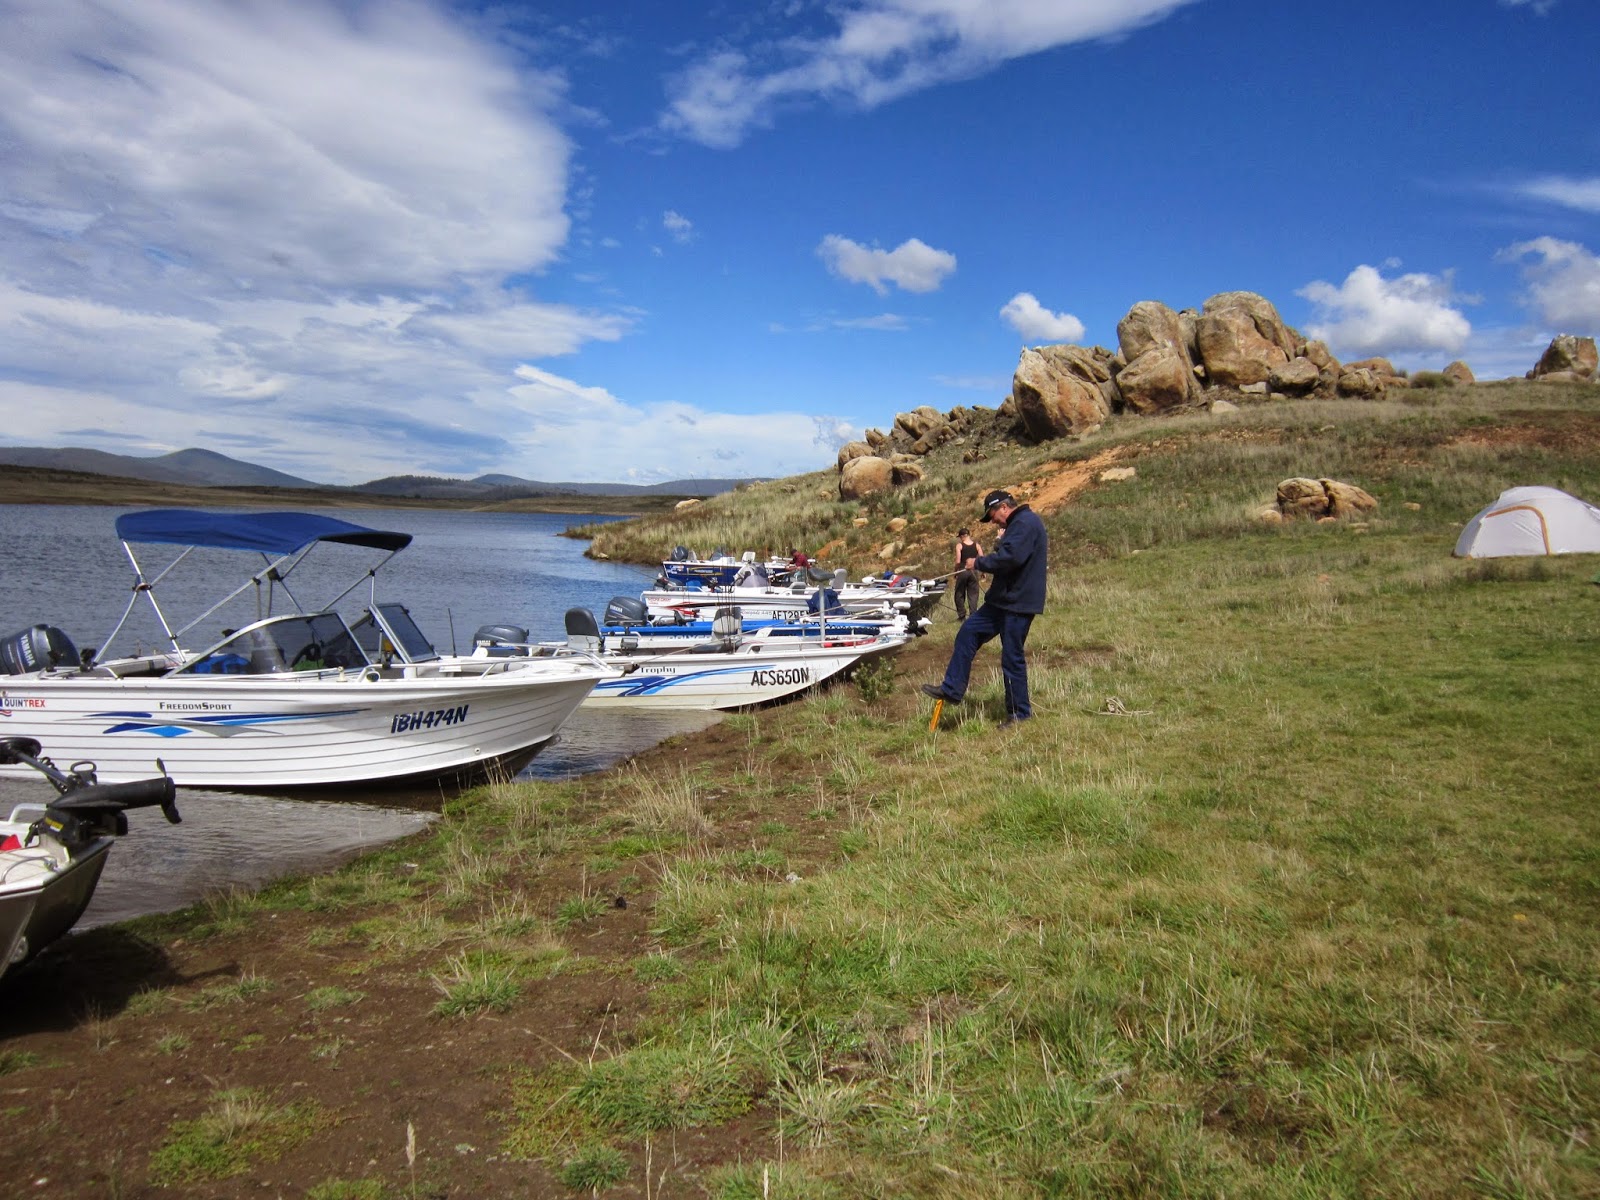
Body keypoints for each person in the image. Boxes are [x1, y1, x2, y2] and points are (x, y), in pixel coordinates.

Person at [922, 489, 1048, 726]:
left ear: (1003, 507)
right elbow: (1009, 555)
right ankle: (952, 689)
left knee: (1012, 657)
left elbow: (1011, 558)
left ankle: (1019, 714)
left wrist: (978, 562)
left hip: (1017, 603)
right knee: (968, 632)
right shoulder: (1018, 524)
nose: (992, 521)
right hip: (1001, 601)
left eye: (991, 515)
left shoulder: (1025, 523)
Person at [952, 527, 982, 621]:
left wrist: (955, 571)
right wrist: (983, 571)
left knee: (959, 593)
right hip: (974, 571)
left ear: (962, 536)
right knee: (973, 594)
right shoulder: (977, 545)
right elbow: (981, 558)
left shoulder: (959, 545)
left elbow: (958, 561)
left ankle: (962, 616)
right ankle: (973, 615)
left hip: (963, 570)